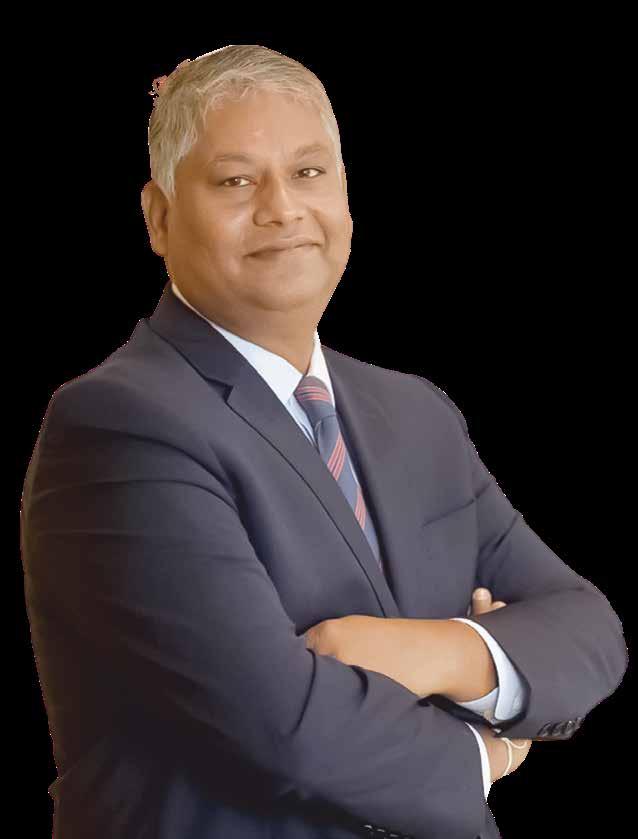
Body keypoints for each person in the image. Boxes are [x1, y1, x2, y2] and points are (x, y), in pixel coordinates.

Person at [21, 45, 628, 839]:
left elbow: (589, 630)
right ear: (159, 218)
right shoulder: (120, 425)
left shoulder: (417, 414)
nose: (282, 209)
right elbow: (286, 724)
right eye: (236, 181)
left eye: (308, 172)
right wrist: (491, 750)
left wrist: (440, 652)